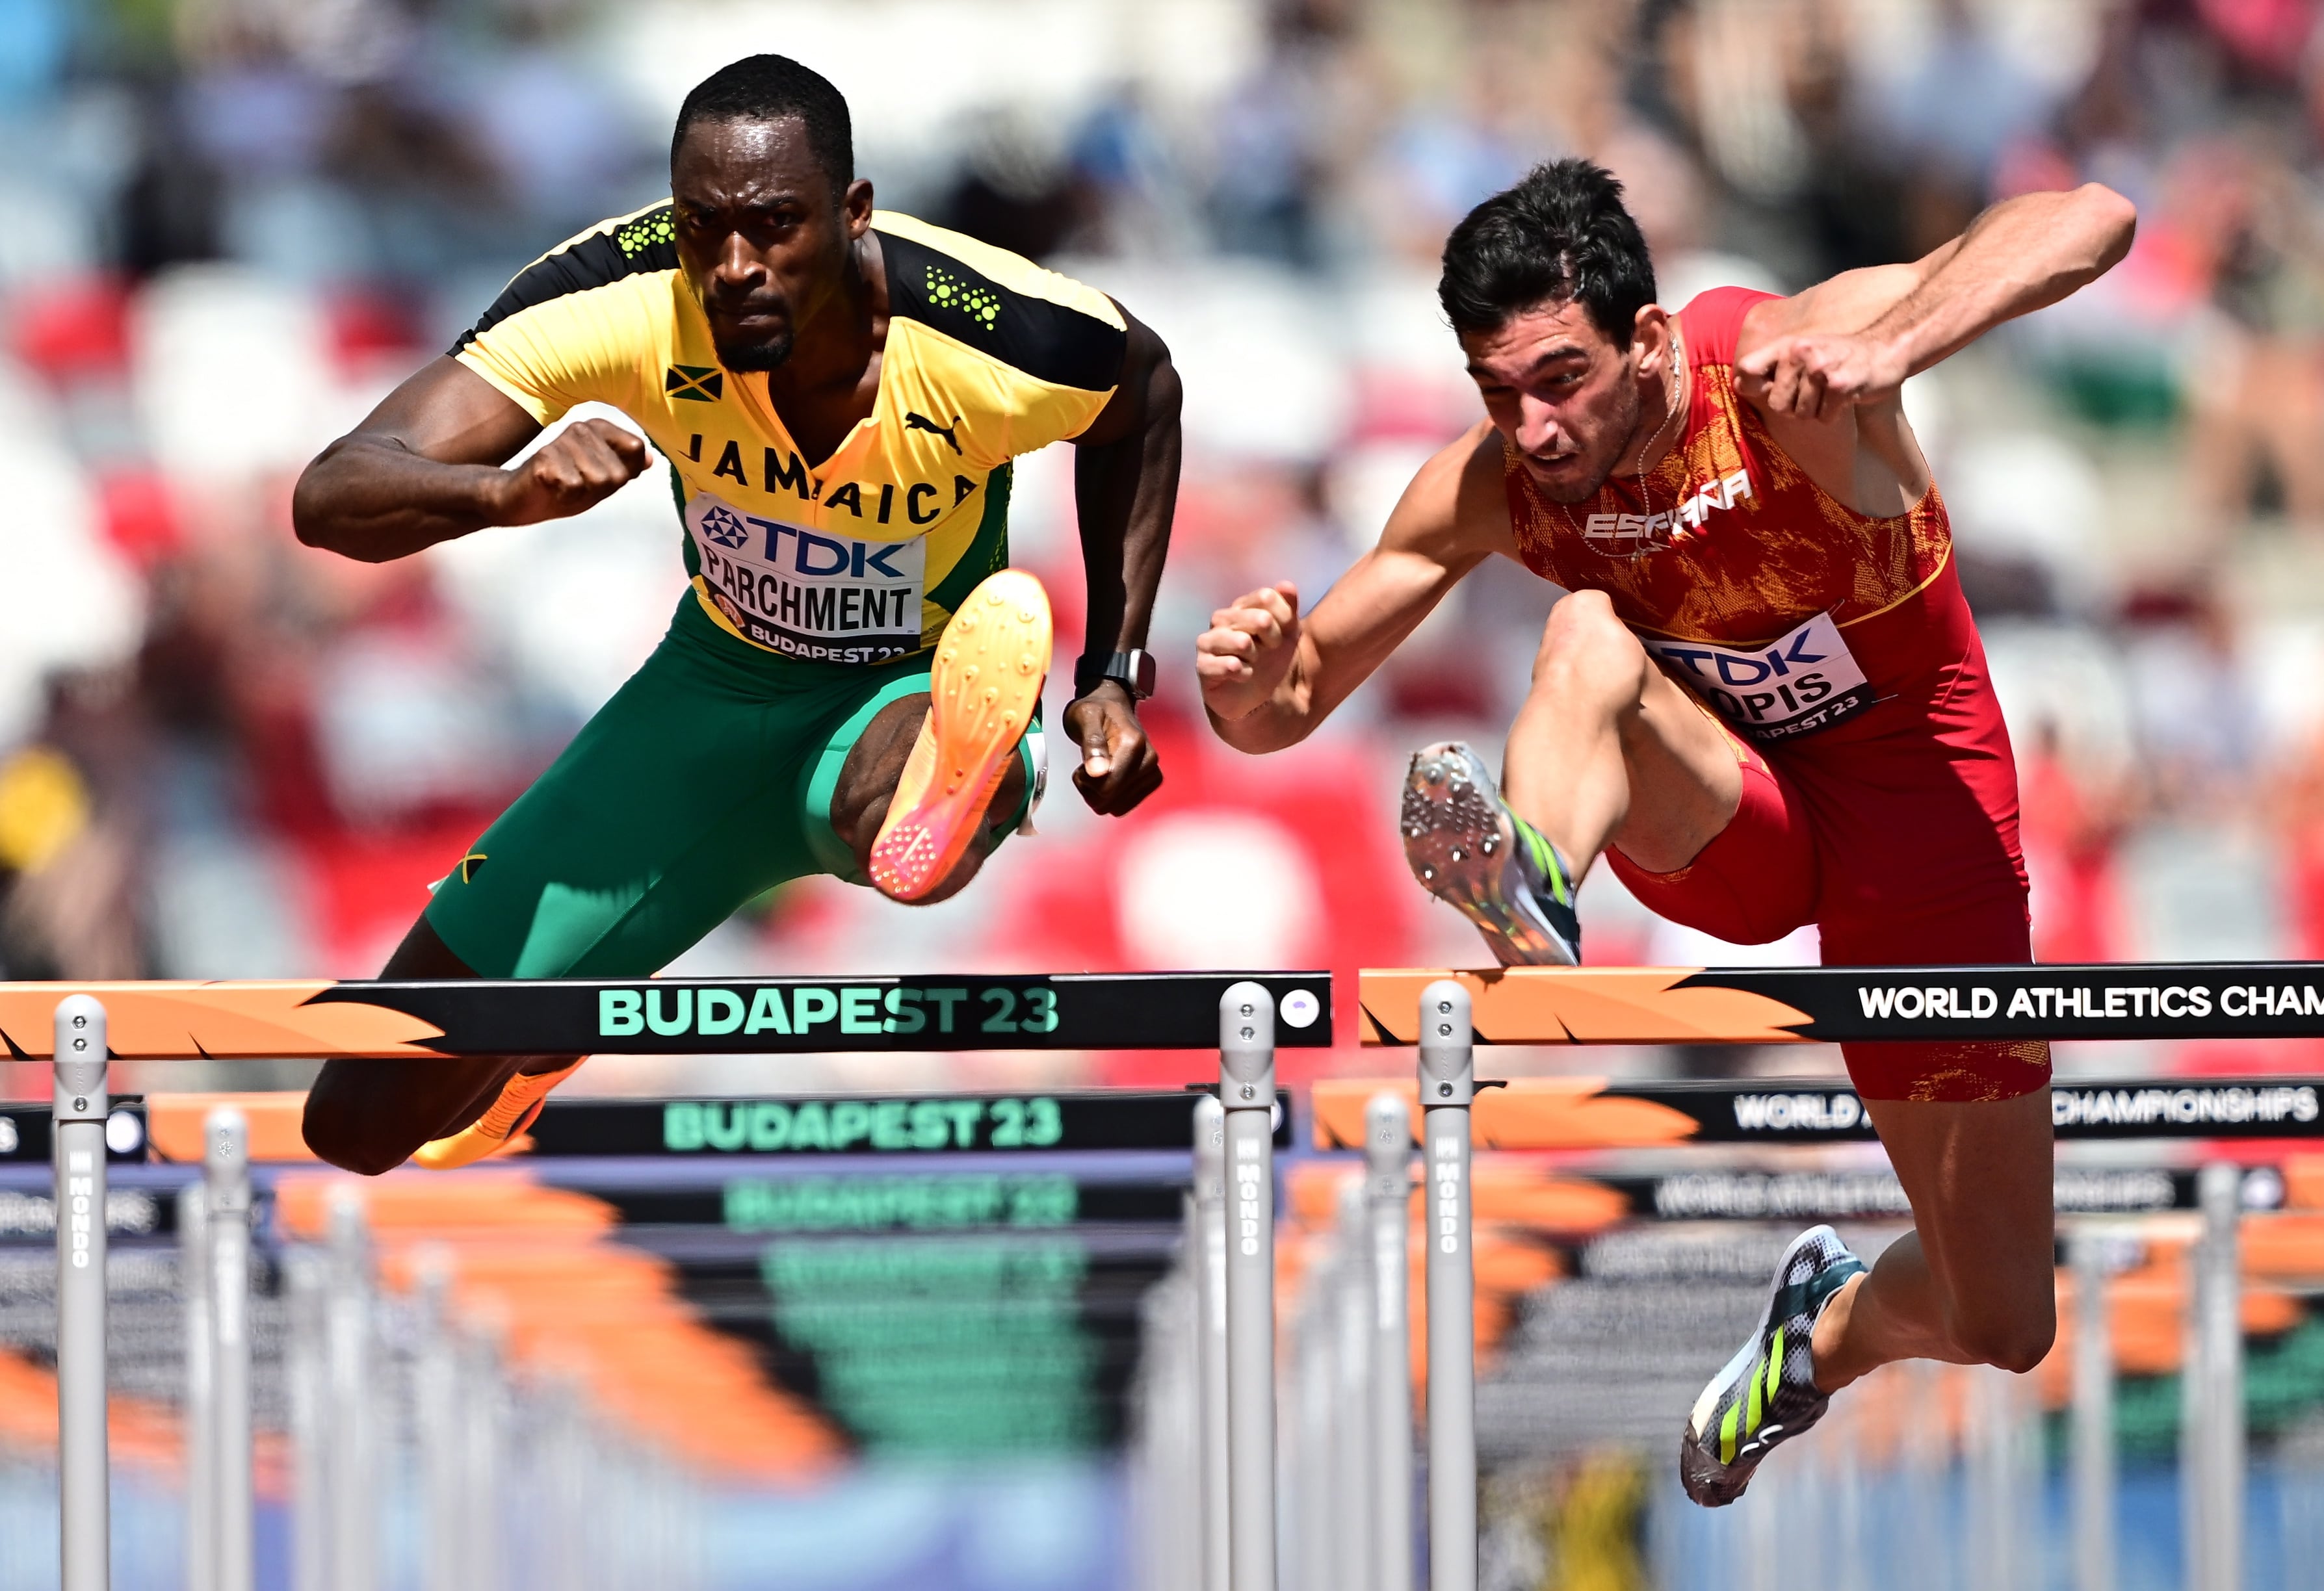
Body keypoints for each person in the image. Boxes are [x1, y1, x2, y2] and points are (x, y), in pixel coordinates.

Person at [1196, 159, 2135, 1505]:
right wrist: (1245, 687)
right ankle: (1535, 898)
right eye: (1498, 393)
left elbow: (2090, 216)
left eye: (1563, 378)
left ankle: (1818, 1331)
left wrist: (1896, 346)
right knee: (1583, 632)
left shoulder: (1780, 367)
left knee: (2003, 1320)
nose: (1534, 427)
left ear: (1646, 337)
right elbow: (1288, 705)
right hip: (1724, 812)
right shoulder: (1501, 484)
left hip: (1919, 816)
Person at [294, 55, 1177, 1174]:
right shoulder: (617, 296)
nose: (734, 265)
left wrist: (1111, 669)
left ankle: (981, 763)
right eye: (702, 227)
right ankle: (533, 1051)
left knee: (907, 807)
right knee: (359, 1124)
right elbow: (334, 493)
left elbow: (1140, 395)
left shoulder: (989, 331)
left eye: (774, 224)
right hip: (704, 701)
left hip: (896, 692)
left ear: (854, 214)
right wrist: (500, 496)